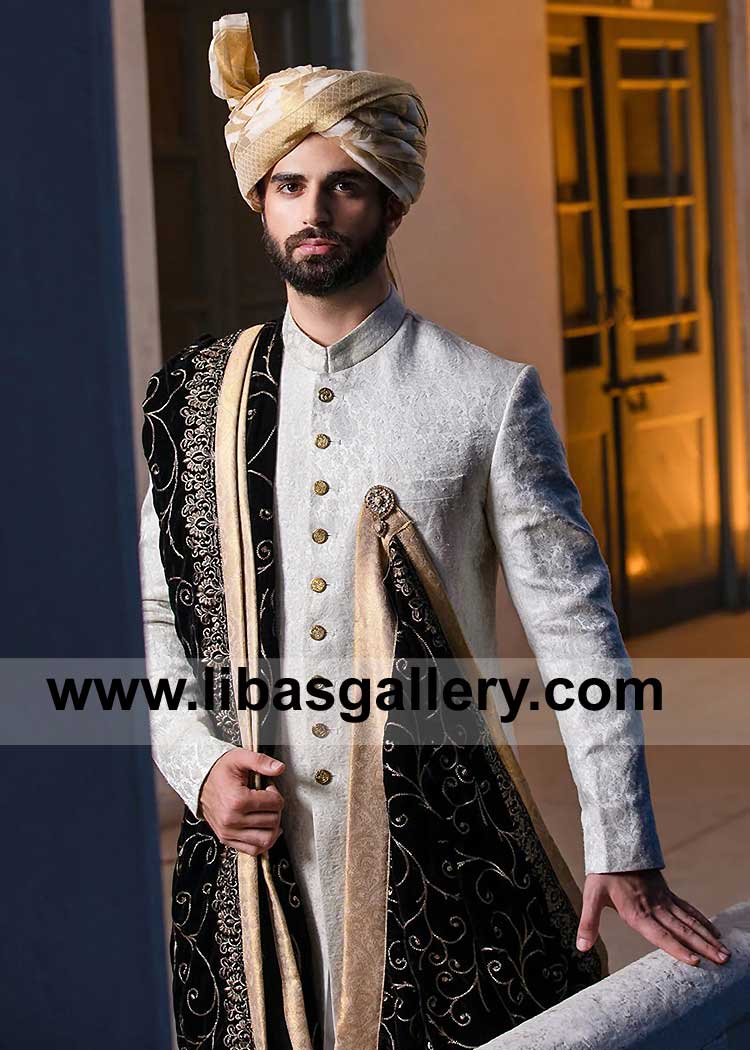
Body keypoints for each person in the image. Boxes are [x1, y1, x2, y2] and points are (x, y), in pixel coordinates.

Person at [138, 12, 731, 1050]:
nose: (313, 210)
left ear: (391, 201)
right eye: (289, 185)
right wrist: (196, 764)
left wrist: (622, 838)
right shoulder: (194, 398)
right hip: (245, 871)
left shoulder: (486, 398)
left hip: (440, 860)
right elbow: (152, 611)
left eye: (344, 185)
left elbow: (577, 632)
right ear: (260, 201)